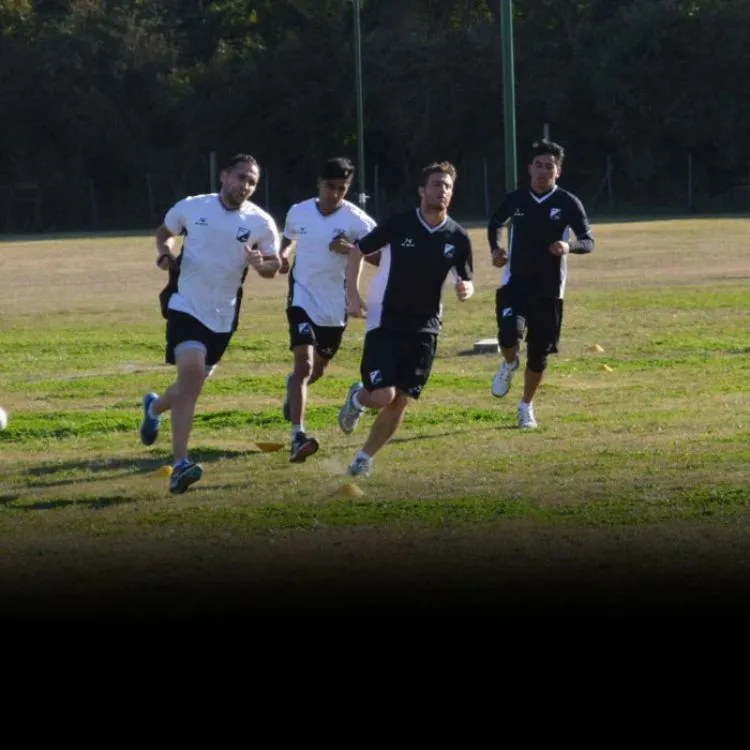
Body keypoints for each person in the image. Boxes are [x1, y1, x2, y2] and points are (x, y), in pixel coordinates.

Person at [139, 153, 282, 494]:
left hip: (223, 315)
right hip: (185, 305)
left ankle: (155, 407)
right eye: (241, 177)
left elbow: (273, 267)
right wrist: (164, 252)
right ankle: (181, 465)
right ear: (224, 176)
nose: (245, 185)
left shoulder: (261, 222)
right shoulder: (193, 206)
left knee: (192, 386)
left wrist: (260, 264)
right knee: (190, 378)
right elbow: (165, 232)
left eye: (252, 182)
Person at [332, 161, 474, 478]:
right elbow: (358, 250)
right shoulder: (399, 224)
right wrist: (353, 296)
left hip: (426, 326)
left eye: (448, 186)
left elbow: (465, 278)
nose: (442, 190)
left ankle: (363, 458)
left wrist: (466, 288)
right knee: (383, 395)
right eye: (436, 184)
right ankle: (357, 398)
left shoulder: (458, 237)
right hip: (386, 318)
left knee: (401, 400)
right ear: (422, 190)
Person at [486, 139, 594, 428]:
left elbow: (588, 240)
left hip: (549, 289)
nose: (543, 171)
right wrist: (496, 249)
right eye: (538, 165)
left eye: (550, 166)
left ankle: (526, 406)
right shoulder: (516, 199)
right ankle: (509, 364)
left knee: (538, 354)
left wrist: (568, 245)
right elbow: (495, 222)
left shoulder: (568, 203)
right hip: (515, 283)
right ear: (529, 168)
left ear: (557, 172)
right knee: (509, 333)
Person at [278, 157, 377, 463]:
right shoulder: (299, 211)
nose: (335, 194)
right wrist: (282, 255)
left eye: (342, 188)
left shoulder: (359, 221)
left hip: (336, 308)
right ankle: (298, 435)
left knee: (317, 370)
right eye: (330, 186)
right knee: (304, 366)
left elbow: (383, 259)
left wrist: (350, 249)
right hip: (302, 299)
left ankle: (295, 392)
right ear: (318, 183)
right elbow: (288, 240)